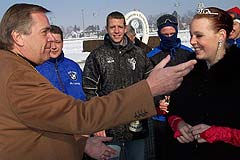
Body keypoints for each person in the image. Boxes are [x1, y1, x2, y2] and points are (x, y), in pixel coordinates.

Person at [0, 3, 196, 160]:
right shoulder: (18, 76)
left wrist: (81, 144)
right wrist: (148, 89)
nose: (51, 39)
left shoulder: (12, 67)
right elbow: (80, 113)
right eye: (44, 32)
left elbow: (44, 126)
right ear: (18, 37)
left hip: (136, 128)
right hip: (110, 127)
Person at [167, 7, 240, 160]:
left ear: (221, 35)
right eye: (191, 35)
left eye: (199, 35)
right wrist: (178, 124)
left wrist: (223, 134)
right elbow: (173, 110)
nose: (192, 41)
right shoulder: (189, 67)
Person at [36, 25, 114, 159]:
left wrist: (95, 124)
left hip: (83, 136)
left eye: (57, 42)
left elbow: (87, 97)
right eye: (50, 42)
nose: (54, 46)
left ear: (63, 43)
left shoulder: (73, 66)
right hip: (55, 139)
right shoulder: (36, 70)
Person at [83, 11, 153, 160]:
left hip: (136, 125)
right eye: (112, 27)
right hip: (109, 128)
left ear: (125, 28)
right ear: (106, 28)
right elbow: (90, 91)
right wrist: (97, 123)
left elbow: (150, 82)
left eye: (120, 27)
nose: (116, 31)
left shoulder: (139, 54)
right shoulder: (97, 56)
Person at [145, 14, 194, 160]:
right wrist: (157, 102)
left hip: (185, 115)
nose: (169, 37)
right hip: (161, 116)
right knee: (163, 153)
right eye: (165, 34)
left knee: (185, 151)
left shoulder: (188, 53)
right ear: (159, 34)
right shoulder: (152, 56)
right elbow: (146, 85)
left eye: (172, 34)